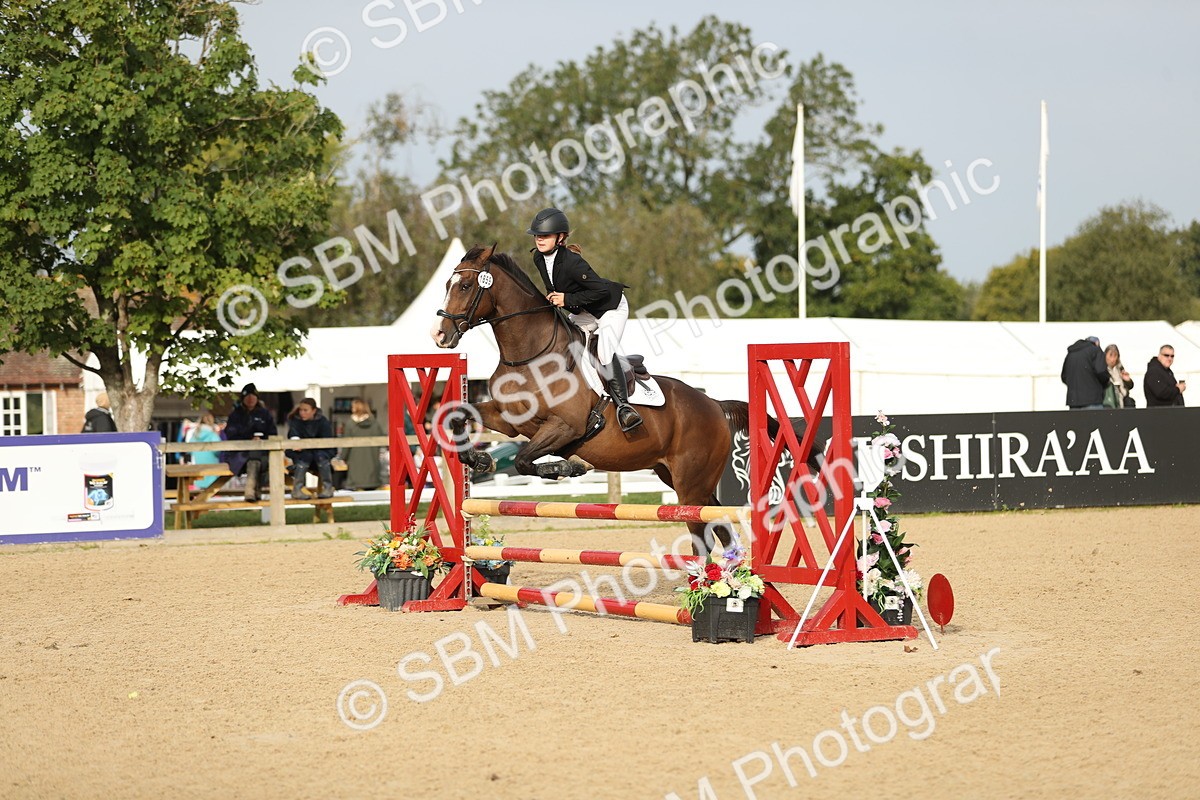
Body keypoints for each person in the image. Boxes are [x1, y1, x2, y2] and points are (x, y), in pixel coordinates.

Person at [527, 206, 642, 432]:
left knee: (604, 349)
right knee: (564, 339)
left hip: (610, 308)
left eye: (545, 235)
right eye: (537, 235)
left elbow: (599, 290)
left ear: (560, 238)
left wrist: (566, 298)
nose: (540, 239)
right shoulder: (539, 260)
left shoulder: (572, 262)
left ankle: (624, 408)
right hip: (584, 311)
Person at [224, 383, 277, 501]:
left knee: (261, 460)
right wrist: (248, 438)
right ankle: (251, 490)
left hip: (262, 451)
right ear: (243, 399)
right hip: (240, 453)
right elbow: (231, 434)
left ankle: (253, 490)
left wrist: (262, 439)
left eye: (253, 397)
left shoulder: (265, 414)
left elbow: (272, 432)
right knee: (253, 459)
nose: (250, 400)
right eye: (247, 397)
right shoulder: (235, 415)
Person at [286, 397, 337, 499]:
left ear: (313, 410)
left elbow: (328, 441)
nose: (302, 413)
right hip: (302, 455)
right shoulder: (295, 422)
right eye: (301, 410)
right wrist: (295, 444)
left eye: (305, 410)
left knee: (321, 457)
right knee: (304, 457)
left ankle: (328, 488)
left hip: (321, 454)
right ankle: (297, 489)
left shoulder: (323, 422)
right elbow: (293, 436)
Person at [337, 398, 384, 490]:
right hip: (372, 460)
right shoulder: (375, 423)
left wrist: (343, 457)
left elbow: (347, 444)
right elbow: (381, 441)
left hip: (355, 462)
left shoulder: (350, 424)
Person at [1060, 336, 1108, 410]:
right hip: (1093, 400)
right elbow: (1101, 372)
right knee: (1095, 421)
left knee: (1076, 422)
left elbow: (1064, 376)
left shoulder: (1071, 353)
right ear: (1096, 343)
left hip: (1074, 401)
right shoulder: (1095, 350)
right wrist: (1105, 383)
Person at [186, 412, 224, 490]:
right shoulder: (212, 435)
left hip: (198, 468)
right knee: (211, 492)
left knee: (198, 493)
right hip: (212, 468)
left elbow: (189, 450)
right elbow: (218, 450)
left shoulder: (195, 435)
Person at [1102, 345, 1135, 409]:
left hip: (1122, 401)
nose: (1112, 359)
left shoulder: (1120, 369)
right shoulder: (1103, 370)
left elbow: (1130, 386)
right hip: (1110, 402)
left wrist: (1127, 380)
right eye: (1110, 355)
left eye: (1115, 356)